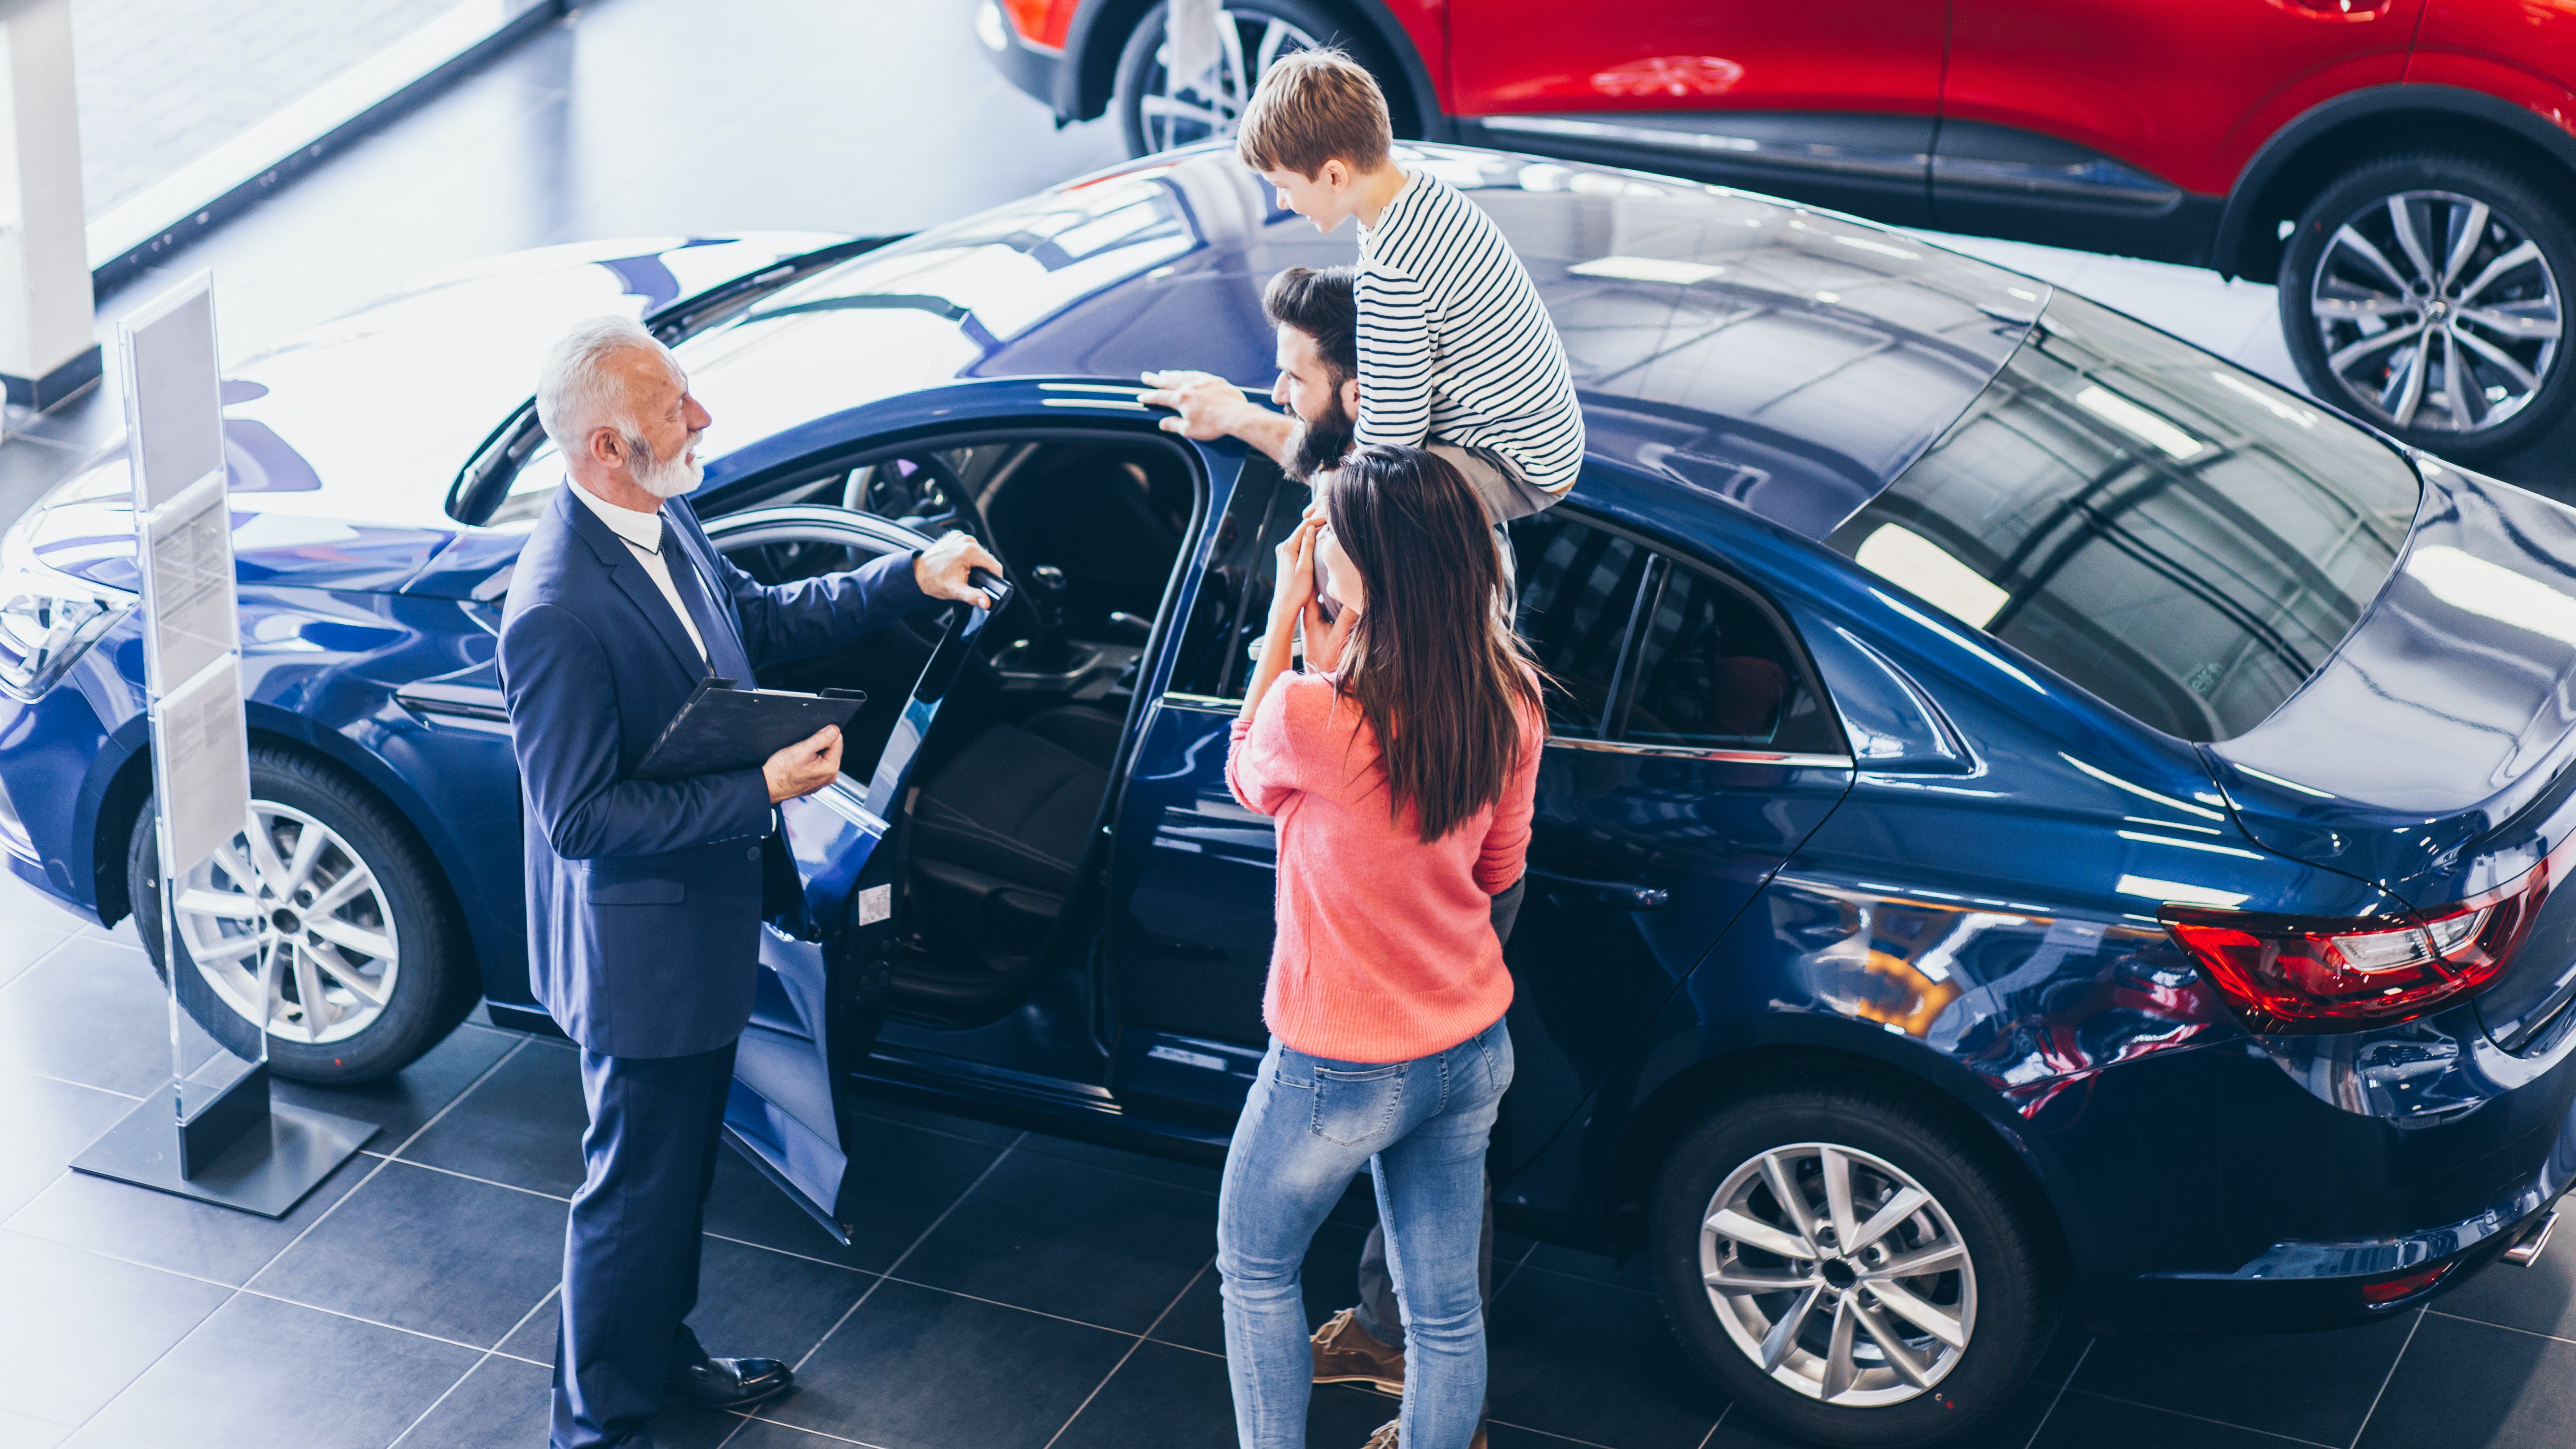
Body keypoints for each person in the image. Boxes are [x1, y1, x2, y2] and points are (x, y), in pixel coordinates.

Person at [499, 315, 1001, 1449]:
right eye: (677, 409)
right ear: (604, 450)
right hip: (644, 960)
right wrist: (764, 786)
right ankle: (595, 1422)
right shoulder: (555, 611)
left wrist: (903, 577)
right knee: (631, 1193)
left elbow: (755, 621)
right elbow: (580, 818)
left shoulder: (655, 521)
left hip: (703, 930)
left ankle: (659, 1358)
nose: (704, 419)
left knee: (670, 1181)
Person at [1218, 444, 1545, 1449]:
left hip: (1338, 1067)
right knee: (1443, 1311)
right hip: (1469, 1049)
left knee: (1255, 1270)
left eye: (1327, 535)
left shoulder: (1312, 712)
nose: (1314, 547)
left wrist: (1283, 617)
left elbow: (1246, 774)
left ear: (1369, 569)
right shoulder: (1511, 697)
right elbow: (1499, 872)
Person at [1246, 49, 1581, 525]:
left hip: (1513, 466)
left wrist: (1334, 493)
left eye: (1282, 184)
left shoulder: (1393, 272)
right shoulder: (1420, 195)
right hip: (1543, 433)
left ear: (1334, 175)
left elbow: (1393, 443)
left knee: (1367, 510)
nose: (1281, 201)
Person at [1143, 263, 1358, 483]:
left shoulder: (1365, 509)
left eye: (1296, 380)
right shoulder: (1355, 463)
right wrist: (1234, 416)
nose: (1278, 395)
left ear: (1356, 394)